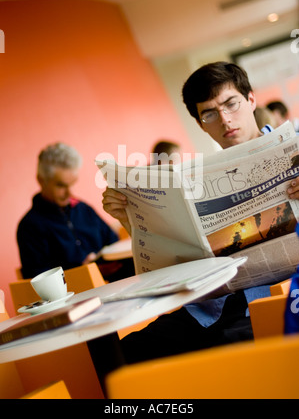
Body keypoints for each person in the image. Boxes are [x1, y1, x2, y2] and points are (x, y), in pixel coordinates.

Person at [102, 62, 299, 364]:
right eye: (210, 113)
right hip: (210, 308)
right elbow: (171, 261)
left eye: (231, 104)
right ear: (200, 124)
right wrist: (131, 222)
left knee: (234, 357)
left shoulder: (294, 151)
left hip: (275, 302)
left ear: (251, 100)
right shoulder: (197, 178)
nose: (225, 119)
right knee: (123, 356)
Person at [17, 142, 134, 281]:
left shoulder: (83, 209)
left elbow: (113, 243)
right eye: (61, 185)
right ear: (41, 180)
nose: (69, 193)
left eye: (72, 184)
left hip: (114, 284)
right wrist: (84, 273)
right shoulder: (30, 226)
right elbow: (37, 282)